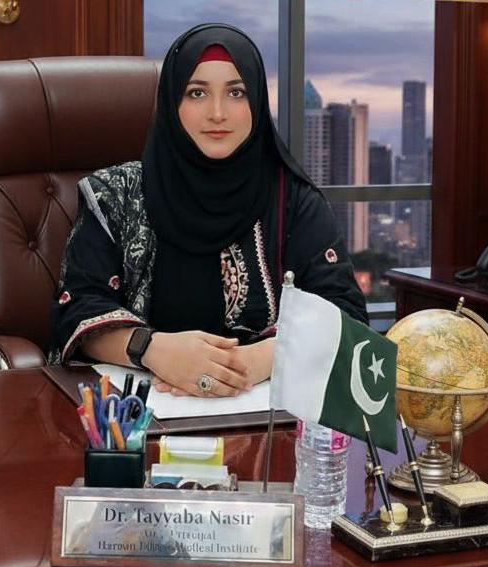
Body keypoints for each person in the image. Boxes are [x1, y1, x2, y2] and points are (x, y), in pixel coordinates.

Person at [49, 23, 367, 398]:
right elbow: (78, 309)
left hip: (262, 410)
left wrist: (254, 362)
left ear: (257, 103)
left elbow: (344, 315)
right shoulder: (114, 196)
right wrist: (152, 350)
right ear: (172, 102)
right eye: (197, 92)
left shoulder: (293, 201)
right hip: (138, 411)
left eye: (236, 92)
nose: (218, 113)